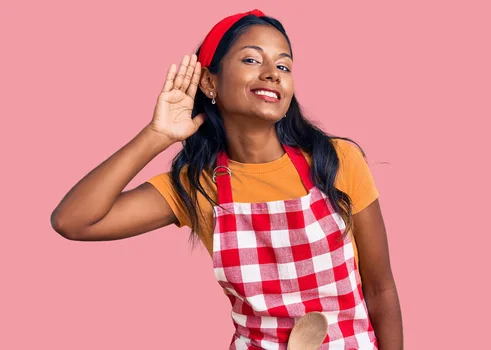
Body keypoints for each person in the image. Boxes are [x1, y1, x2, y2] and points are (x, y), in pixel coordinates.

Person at [51, 9, 403, 350]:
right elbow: (73, 221)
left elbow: (379, 289)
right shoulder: (197, 186)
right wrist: (157, 135)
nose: (272, 73)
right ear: (209, 81)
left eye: (283, 65)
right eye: (252, 60)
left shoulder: (337, 161)